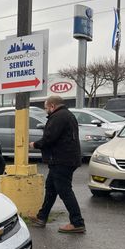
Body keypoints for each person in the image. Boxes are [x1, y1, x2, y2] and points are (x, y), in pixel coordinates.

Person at [29, 95, 85, 233]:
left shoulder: (58, 117)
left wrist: (35, 144)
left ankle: (77, 222)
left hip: (62, 160)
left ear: (52, 106)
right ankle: (42, 217)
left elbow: (50, 137)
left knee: (64, 191)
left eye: (46, 108)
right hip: (63, 159)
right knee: (51, 189)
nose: (46, 110)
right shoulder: (66, 115)